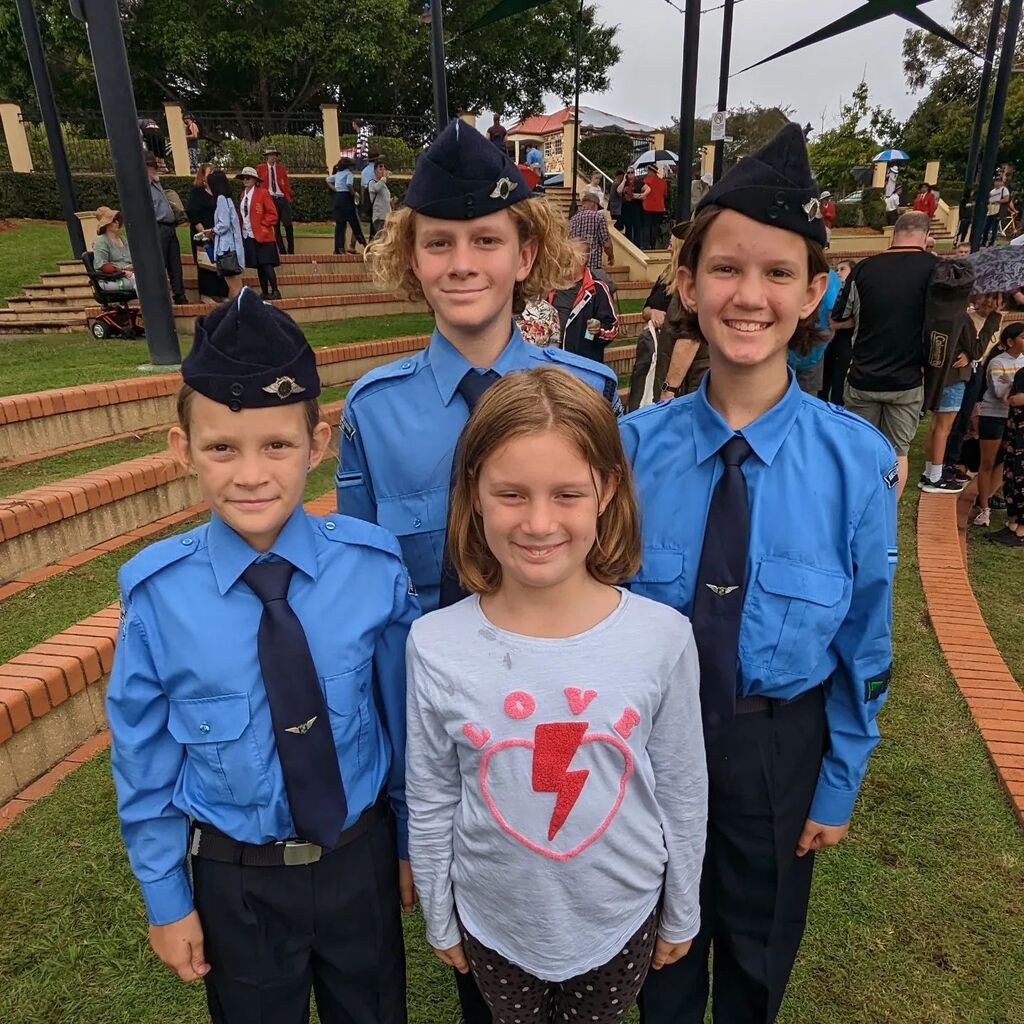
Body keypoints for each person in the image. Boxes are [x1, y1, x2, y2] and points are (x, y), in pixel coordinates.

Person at [623, 123, 896, 1024]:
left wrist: (839, 778)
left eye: (779, 273)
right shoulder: (627, 453)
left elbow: (865, 639)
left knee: (756, 964)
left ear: (815, 290)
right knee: (657, 965)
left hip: (778, 750)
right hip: (649, 750)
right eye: (726, 269)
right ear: (688, 283)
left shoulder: (856, 464)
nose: (749, 295)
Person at [106, 290, 419, 1024]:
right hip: (236, 878)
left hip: (359, 860)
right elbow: (143, 762)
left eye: (277, 445)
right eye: (222, 448)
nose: (251, 474)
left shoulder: (373, 569)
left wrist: (409, 845)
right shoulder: (157, 597)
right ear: (182, 448)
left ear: (318, 444)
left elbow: (405, 725)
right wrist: (166, 900)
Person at [406, 367, 708, 1024]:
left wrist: (682, 908)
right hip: (494, 923)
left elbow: (683, 792)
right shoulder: (434, 643)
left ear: (607, 490)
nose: (539, 523)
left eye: (567, 494)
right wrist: (439, 915)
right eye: (511, 494)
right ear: (474, 493)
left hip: (621, 921)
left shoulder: (662, 637)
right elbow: (432, 797)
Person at [835, 210, 937, 498]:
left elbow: (839, 315)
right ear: (926, 236)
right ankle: (887, 514)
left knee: (859, 448)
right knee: (897, 452)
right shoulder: (936, 269)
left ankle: (856, 507)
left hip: (863, 375)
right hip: (908, 378)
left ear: (894, 233)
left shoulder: (865, 268)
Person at [919, 291, 983, 493]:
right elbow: (977, 350)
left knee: (935, 426)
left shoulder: (935, 315)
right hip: (955, 377)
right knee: (943, 428)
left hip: (937, 378)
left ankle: (930, 472)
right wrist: (993, 321)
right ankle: (935, 478)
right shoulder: (961, 318)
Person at [974, 322, 1024, 526]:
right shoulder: (997, 362)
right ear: (1010, 341)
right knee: (987, 462)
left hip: (1015, 419)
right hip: (993, 416)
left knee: (1007, 461)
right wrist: (1017, 385)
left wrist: (1012, 384)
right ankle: (983, 508)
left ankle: (988, 496)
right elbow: (1000, 393)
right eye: (1023, 337)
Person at [548, 254, 619, 364]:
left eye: (569, 256)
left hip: (582, 365)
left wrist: (599, 330)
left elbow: (612, 328)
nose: (562, 260)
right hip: (552, 363)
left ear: (582, 260)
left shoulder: (597, 289)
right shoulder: (550, 286)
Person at [145, 153, 188, 305]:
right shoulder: (145, 187)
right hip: (158, 227)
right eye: (152, 167)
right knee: (161, 262)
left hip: (170, 227)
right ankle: (160, 295)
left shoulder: (157, 184)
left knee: (174, 263)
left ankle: (179, 294)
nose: (156, 170)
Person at [236, 166, 281, 300]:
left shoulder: (263, 193)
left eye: (248, 178)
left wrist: (263, 224)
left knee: (266, 264)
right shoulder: (243, 194)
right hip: (248, 234)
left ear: (255, 180)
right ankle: (265, 291)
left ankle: (275, 290)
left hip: (262, 235)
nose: (245, 180)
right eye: (243, 178)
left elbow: (272, 214)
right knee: (259, 265)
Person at [992, 359, 1024, 545]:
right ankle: (1013, 524)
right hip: (1015, 431)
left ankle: (1021, 531)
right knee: (1011, 476)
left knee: (1022, 479)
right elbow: (1008, 398)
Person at [186, 162, 229, 302]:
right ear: (203, 176)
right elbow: (192, 212)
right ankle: (206, 294)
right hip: (203, 233)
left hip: (217, 233)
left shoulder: (217, 193)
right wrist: (204, 231)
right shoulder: (197, 192)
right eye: (209, 173)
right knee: (205, 263)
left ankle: (221, 293)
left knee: (219, 263)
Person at [819, 258, 857, 405]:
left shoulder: (854, 292)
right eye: (837, 269)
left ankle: (836, 407)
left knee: (839, 379)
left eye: (843, 269)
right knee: (824, 378)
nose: (838, 272)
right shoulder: (833, 289)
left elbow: (855, 319)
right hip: (828, 340)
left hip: (845, 341)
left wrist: (838, 325)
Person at [206, 169, 245, 300]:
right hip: (232, 247)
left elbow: (224, 224)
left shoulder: (221, 199)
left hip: (226, 249)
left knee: (233, 286)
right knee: (236, 284)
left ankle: (234, 309)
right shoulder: (228, 199)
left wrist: (212, 231)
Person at [258, 147, 295, 256]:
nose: (273, 157)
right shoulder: (261, 168)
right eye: (271, 155)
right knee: (275, 225)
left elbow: (286, 183)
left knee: (288, 224)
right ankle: (282, 251)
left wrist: (288, 196)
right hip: (270, 198)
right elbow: (258, 183)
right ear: (267, 157)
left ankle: (291, 250)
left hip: (281, 197)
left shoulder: (281, 168)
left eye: (274, 155)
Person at [328, 157, 366, 254]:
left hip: (338, 199)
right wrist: (354, 194)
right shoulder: (349, 174)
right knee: (354, 222)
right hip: (346, 198)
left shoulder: (338, 174)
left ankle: (339, 248)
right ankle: (364, 243)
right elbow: (349, 185)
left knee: (340, 225)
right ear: (349, 167)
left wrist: (335, 189)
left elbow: (328, 179)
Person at [92, 206, 136, 293]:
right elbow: (102, 265)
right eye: (113, 220)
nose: (117, 222)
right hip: (111, 279)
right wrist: (123, 272)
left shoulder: (124, 239)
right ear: (106, 224)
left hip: (131, 274)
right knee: (141, 282)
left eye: (117, 219)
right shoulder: (101, 241)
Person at [568, 190, 613, 272]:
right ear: (594, 204)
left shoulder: (572, 220)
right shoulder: (599, 217)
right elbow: (607, 244)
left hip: (576, 268)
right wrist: (611, 256)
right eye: (597, 207)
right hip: (593, 267)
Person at [638, 165, 668, 250]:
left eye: (648, 171)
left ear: (651, 171)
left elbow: (642, 191)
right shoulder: (663, 182)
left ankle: (646, 245)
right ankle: (653, 244)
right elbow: (665, 194)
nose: (647, 173)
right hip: (659, 208)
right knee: (655, 226)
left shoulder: (646, 181)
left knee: (646, 226)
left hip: (647, 207)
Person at [367, 158, 392, 239]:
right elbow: (377, 188)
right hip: (379, 217)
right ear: (375, 171)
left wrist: (391, 201)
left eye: (384, 169)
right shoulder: (372, 183)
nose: (382, 171)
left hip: (386, 216)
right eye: (380, 169)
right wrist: (384, 178)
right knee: (381, 239)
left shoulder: (383, 185)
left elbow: (385, 199)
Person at [617, 167, 642, 246]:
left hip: (636, 207)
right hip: (626, 207)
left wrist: (642, 195)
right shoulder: (624, 183)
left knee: (637, 227)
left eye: (632, 172)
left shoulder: (638, 182)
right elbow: (619, 191)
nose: (630, 174)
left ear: (634, 173)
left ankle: (637, 246)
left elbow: (648, 189)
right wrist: (624, 180)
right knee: (628, 227)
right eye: (628, 173)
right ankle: (629, 245)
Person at [983, 176, 1010, 247]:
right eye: (996, 181)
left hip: (997, 211)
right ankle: (984, 241)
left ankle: (991, 242)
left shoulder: (1004, 189)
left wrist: (997, 201)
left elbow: (1006, 199)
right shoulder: (992, 191)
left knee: (994, 227)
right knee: (986, 227)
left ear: (1002, 182)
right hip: (990, 210)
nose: (997, 183)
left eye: (999, 181)